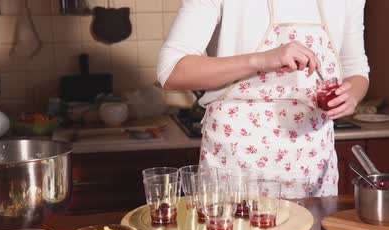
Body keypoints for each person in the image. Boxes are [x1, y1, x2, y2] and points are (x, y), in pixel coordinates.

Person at [158, 0, 370, 196]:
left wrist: (352, 95)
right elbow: (172, 71)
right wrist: (263, 59)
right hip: (235, 165)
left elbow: (356, 69)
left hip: (313, 164)